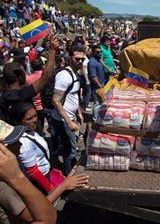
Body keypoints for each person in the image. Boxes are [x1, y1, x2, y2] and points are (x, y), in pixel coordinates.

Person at [0, 119, 87, 224]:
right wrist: (63, 186)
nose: (20, 144)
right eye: (13, 142)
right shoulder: (3, 182)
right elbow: (35, 215)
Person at [0, 34, 59, 122]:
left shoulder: (2, 97)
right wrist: (52, 51)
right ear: (19, 76)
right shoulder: (21, 95)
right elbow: (46, 76)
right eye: (23, 72)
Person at [51, 46, 85, 174]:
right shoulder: (64, 76)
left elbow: (73, 95)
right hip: (63, 120)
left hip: (71, 117)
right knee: (70, 149)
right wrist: (69, 121)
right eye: (77, 59)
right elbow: (56, 100)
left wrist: (79, 113)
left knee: (70, 146)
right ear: (70, 58)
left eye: (82, 59)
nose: (80, 62)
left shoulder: (75, 74)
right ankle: (68, 176)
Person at [25, 58, 45, 134]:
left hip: (34, 105)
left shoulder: (28, 79)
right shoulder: (44, 76)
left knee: (37, 123)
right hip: (43, 104)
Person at [87, 45, 105, 122]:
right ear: (93, 52)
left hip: (101, 84)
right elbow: (93, 76)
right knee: (97, 103)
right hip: (96, 86)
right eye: (97, 52)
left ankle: (98, 118)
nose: (100, 53)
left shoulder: (98, 60)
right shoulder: (92, 62)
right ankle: (95, 120)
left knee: (100, 102)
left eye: (100, 52)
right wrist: (99, 85)